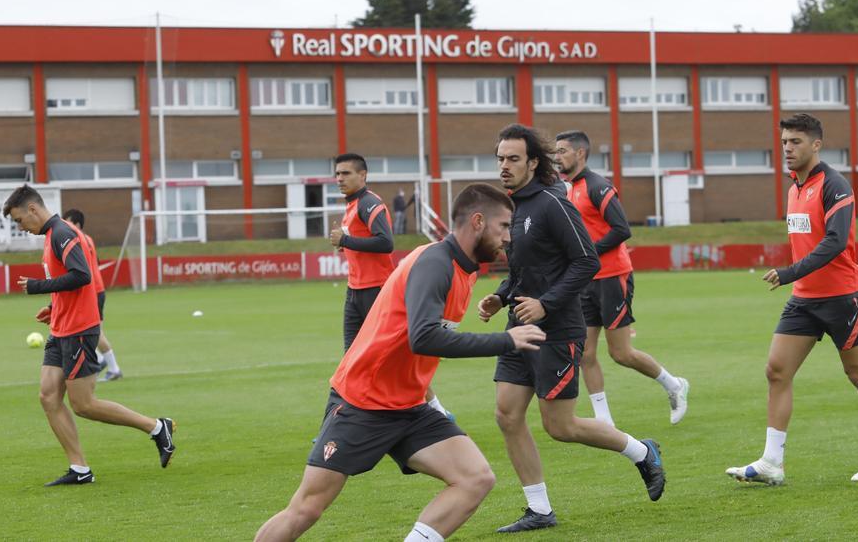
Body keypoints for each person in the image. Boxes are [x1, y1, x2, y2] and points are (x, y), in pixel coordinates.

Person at [255, 184, 547, 542]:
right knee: (306, 508)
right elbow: (423, 338)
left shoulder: (465, 269)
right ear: (478, 221)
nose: (508, 237)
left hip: (409, 406)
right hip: (363, 403)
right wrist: (507, 340)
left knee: (476, 477)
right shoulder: (435, 263)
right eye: (504, 226)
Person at [480, 124, 665, 533]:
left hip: (557, 329)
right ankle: (540, 510)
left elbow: (586, 261)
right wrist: (500, 295)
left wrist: (545, 305)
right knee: (507, 416)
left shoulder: (553, 204)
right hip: (519, 328)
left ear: (532, 162)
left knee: (560, 426)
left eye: (513, 159)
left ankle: (642, 451)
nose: (504, 166)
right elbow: (527, 267)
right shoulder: (515, 207)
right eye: (500, 158)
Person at [724, 113, 858, 486]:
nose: (787, 149)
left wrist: (789, 272)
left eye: (796, 142)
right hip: (804, 298)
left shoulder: (835, 186)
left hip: (842, 296)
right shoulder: (793, 187)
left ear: (816, 145)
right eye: (784, 142)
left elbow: (835, 243)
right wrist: (796, 279)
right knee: (776, 370)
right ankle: (772, 462)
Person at [2, 185, 175, 487]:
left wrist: (38, 287)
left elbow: (81, 275)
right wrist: (52, 307)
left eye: (19, 220)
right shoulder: (50, 236)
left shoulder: (61, 233)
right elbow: (68, 283)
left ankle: (157, 427)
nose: (20, 227)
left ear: (33, 209)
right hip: (61, 326)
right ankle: (80, 469)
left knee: (84, 404)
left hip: (79, 329)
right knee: (48, 395)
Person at [554, 130, 689, 427]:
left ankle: (674, 385)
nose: (557, 156)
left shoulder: (597, 186)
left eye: (562, 150)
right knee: (585, 352)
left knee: (621, 353)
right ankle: (605, 420)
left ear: (580, 153)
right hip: (586, 281)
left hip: (613, 277)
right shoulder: (567, 189)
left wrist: (587, 253)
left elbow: (621, 229)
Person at [327, 154, 452, 421]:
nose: (340, 179)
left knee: (399, 360)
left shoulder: (370, 203)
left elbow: (386, 243)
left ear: (363, 176)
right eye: (337, 174)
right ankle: (338, 423)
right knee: (351, 360)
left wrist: (347, 240)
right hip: (355, 293)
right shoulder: (352, 206)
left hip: (378, 293)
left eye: (346, 173)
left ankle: (437, 412)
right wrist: (346, 243)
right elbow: (363, 244)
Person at [62, 209, 123, 381]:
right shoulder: (87, 239)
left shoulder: (76, 241)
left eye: (68, 222)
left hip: (92, 291)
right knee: (83, 331)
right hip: (96, 289)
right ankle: (101, 361)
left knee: (94, 333)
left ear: (77, 224)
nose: (65, 226)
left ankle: (113, 367)